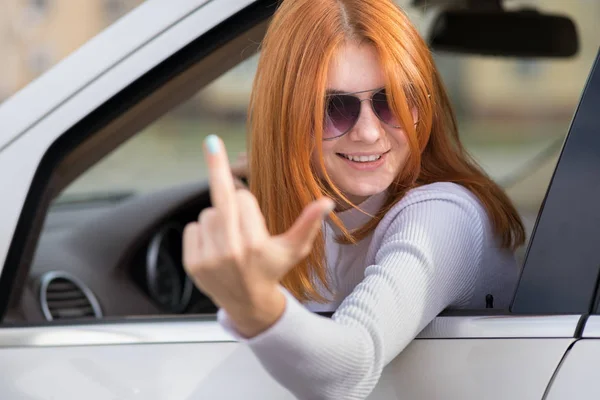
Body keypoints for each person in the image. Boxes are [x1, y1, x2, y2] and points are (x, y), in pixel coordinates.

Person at [182, 0, 525, 398]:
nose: (368, 132)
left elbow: (349, 370)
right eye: (333, 109)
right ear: (286, 118)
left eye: (393, 101)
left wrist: (253, 303)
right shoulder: (311, 206)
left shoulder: (444, 215)